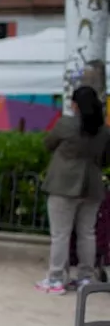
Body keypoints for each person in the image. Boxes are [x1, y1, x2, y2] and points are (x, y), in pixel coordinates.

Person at [37, 85, 110, 294]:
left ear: (75, 104)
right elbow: (106, 159)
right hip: (92, 185)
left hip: (63, 184)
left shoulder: (66, 124)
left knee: (61, 234)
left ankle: (56, 279)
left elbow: (48, 144)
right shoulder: (103, 130)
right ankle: (85, 278)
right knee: (88, 233)